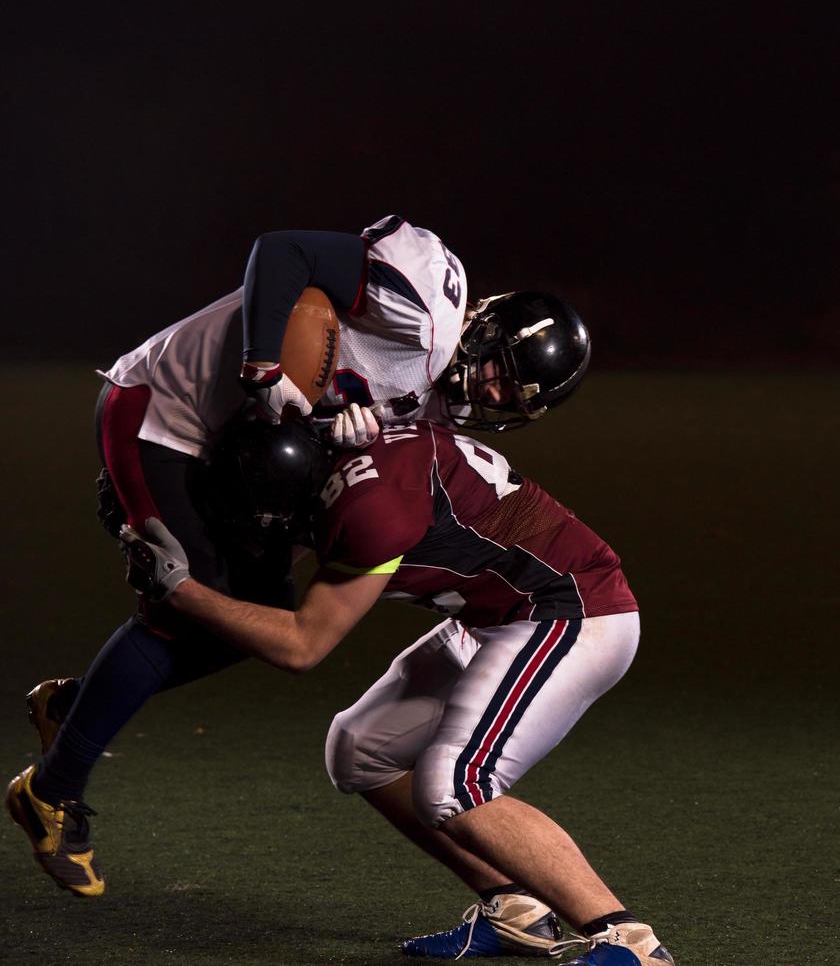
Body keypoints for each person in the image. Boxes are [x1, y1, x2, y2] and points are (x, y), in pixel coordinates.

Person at [4, 212, 578, 898]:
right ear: (484, 328)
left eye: (508, 398)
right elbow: (282, 253)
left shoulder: (437, 416)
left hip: (233, 451)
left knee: (256, 615)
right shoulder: (424, 305)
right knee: (182, 598)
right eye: (497, 372)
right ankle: (51, 791)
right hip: (168, 406)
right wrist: (262, 364)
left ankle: (79, 708)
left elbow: (314, 459)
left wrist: (336, 430)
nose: (489, 393)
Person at [119, 412, 672, 965]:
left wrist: (178, 588)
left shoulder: (370, 509)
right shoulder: (349, 460)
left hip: (568, 613)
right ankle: (515, 908)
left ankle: (629, 940)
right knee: (361, 749)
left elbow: (299, 645)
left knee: (456, 783)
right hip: (497, 616)